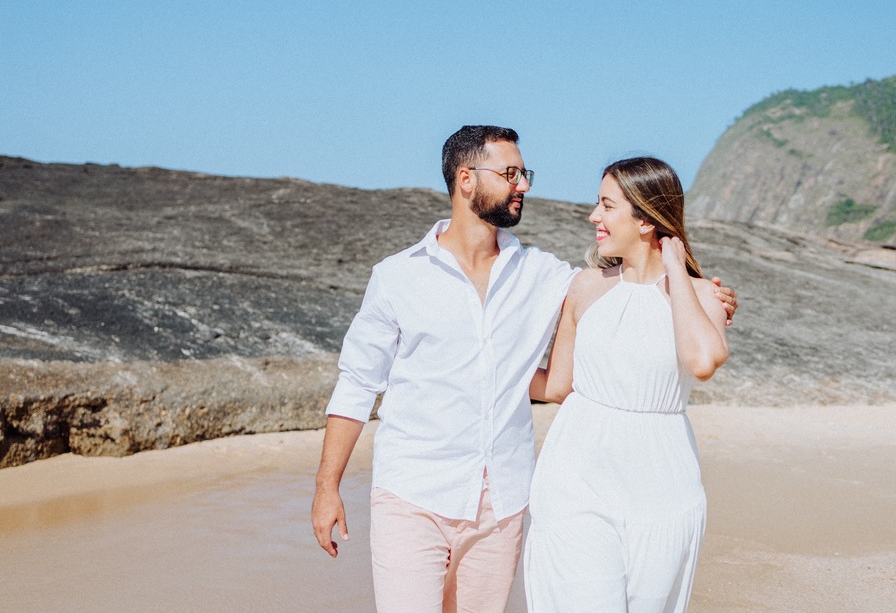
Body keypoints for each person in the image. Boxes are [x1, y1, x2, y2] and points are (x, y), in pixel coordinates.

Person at [311, 127, 736, 613]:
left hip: (504, 502)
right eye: (511, 173)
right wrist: (327, 488)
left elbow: (579, 370)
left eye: (524, 173)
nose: (524, 185)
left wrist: (699, 288)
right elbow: (358, 383)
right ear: (466, 179)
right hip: (413, 491)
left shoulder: (546, 275)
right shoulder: (398, 277)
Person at [524, 156, 730, 613]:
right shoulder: (584, 287)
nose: (594, 216)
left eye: (606, 205)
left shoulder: (700, 295)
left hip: (663, 483)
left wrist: (676, 268)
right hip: (576, 477)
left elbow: (702, 361)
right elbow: (558, 385)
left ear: (644, 219)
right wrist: (478, 371)